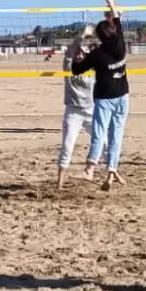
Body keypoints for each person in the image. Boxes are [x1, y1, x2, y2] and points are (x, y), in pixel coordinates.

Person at [71, 0, 130, 190]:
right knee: (116, 135)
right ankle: (111, 169)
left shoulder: (97, 54)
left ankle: (90, 169)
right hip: (123, 96)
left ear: (100, 37)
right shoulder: (121, 42)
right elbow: (117, 19)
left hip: (105, 98)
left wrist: (78, 54)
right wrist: (111, 3)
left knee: (99, 133)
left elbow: (76, 70)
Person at [57, 23, 97, 189]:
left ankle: (111, 174)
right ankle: (60, 182)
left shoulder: (93, 67)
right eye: (78, 52)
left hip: (90, 109)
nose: (79, 54)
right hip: (73, 110)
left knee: (105, 142)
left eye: (83, 52)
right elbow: (71, 50)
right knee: (67, 145)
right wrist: (82, 35)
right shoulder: (69, 66)